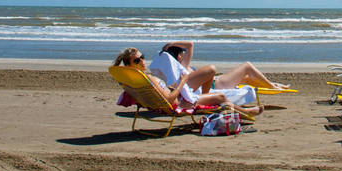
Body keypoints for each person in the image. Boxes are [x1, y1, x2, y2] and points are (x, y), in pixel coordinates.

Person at [111, 47, 262, 114]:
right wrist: (182, 82)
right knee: (221, 97)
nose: (142, 61)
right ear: (129, 65)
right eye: (137, 60)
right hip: (181, 103)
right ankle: (248, 111)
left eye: (142, 57)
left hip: (170, 100)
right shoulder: (148, 79)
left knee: (214, 92)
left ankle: (242, 109)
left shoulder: (135, 80)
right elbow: (170, 100)